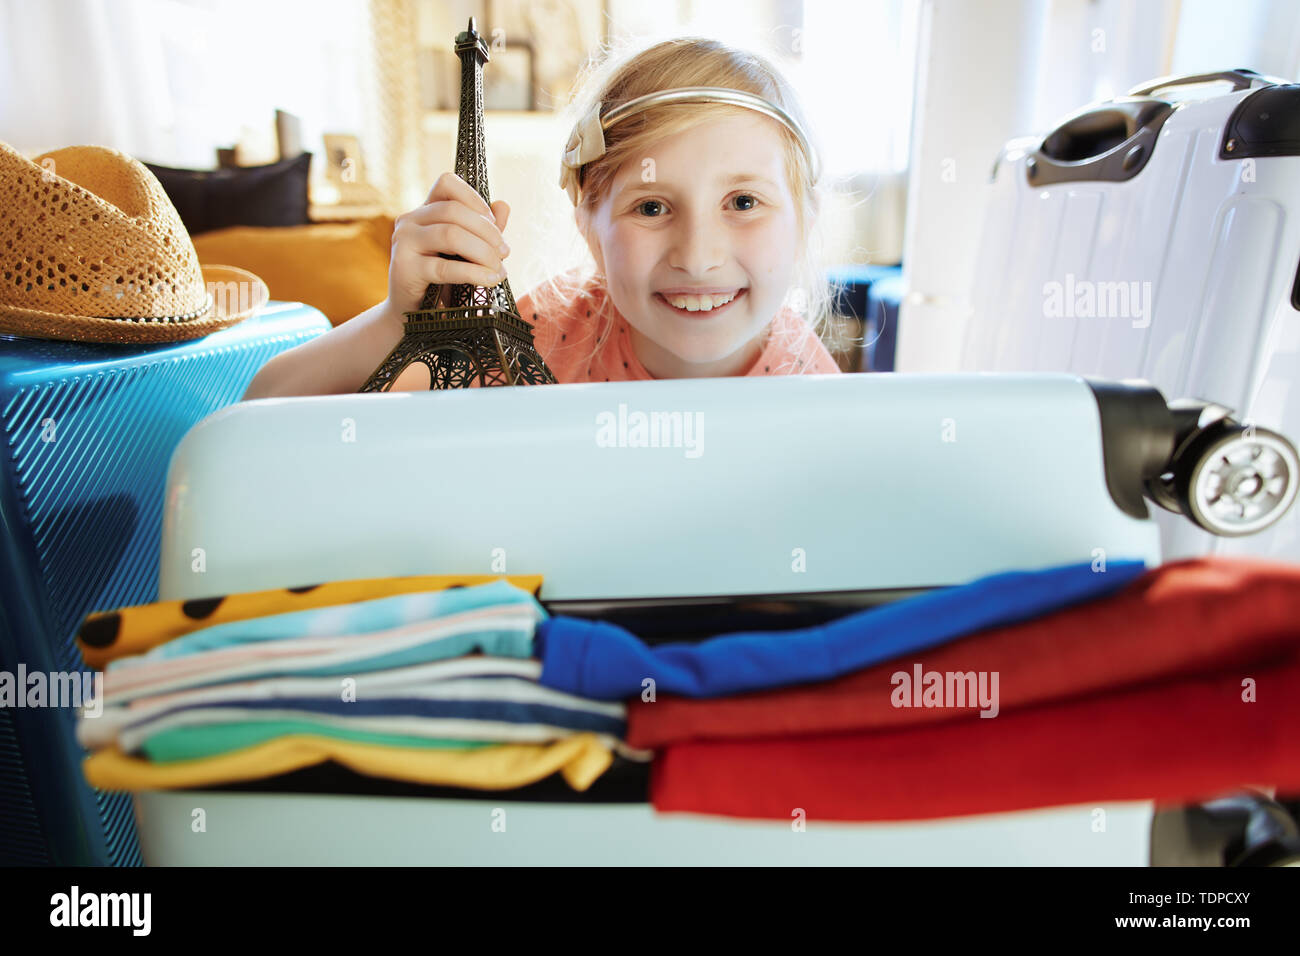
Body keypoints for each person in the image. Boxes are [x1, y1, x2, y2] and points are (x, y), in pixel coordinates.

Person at [242, 36, 843, 399]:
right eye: (652, 206)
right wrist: (397, 323)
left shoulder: (808, 381)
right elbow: (265, 408)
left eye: (743, 203)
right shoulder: (543, 337)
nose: (698, 254)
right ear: (588, 222)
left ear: (805, 220)